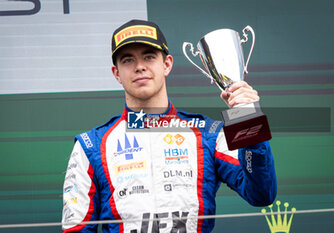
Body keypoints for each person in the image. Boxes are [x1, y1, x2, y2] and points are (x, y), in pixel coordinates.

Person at [62, 19, 277, 233]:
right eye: (128, 60)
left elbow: (261, 194)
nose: (139, 67)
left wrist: (247, 116)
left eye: (149, 56)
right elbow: (76, 230)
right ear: (116, 73)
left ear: (167, 64)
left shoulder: (207, 135)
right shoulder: (90, 146)